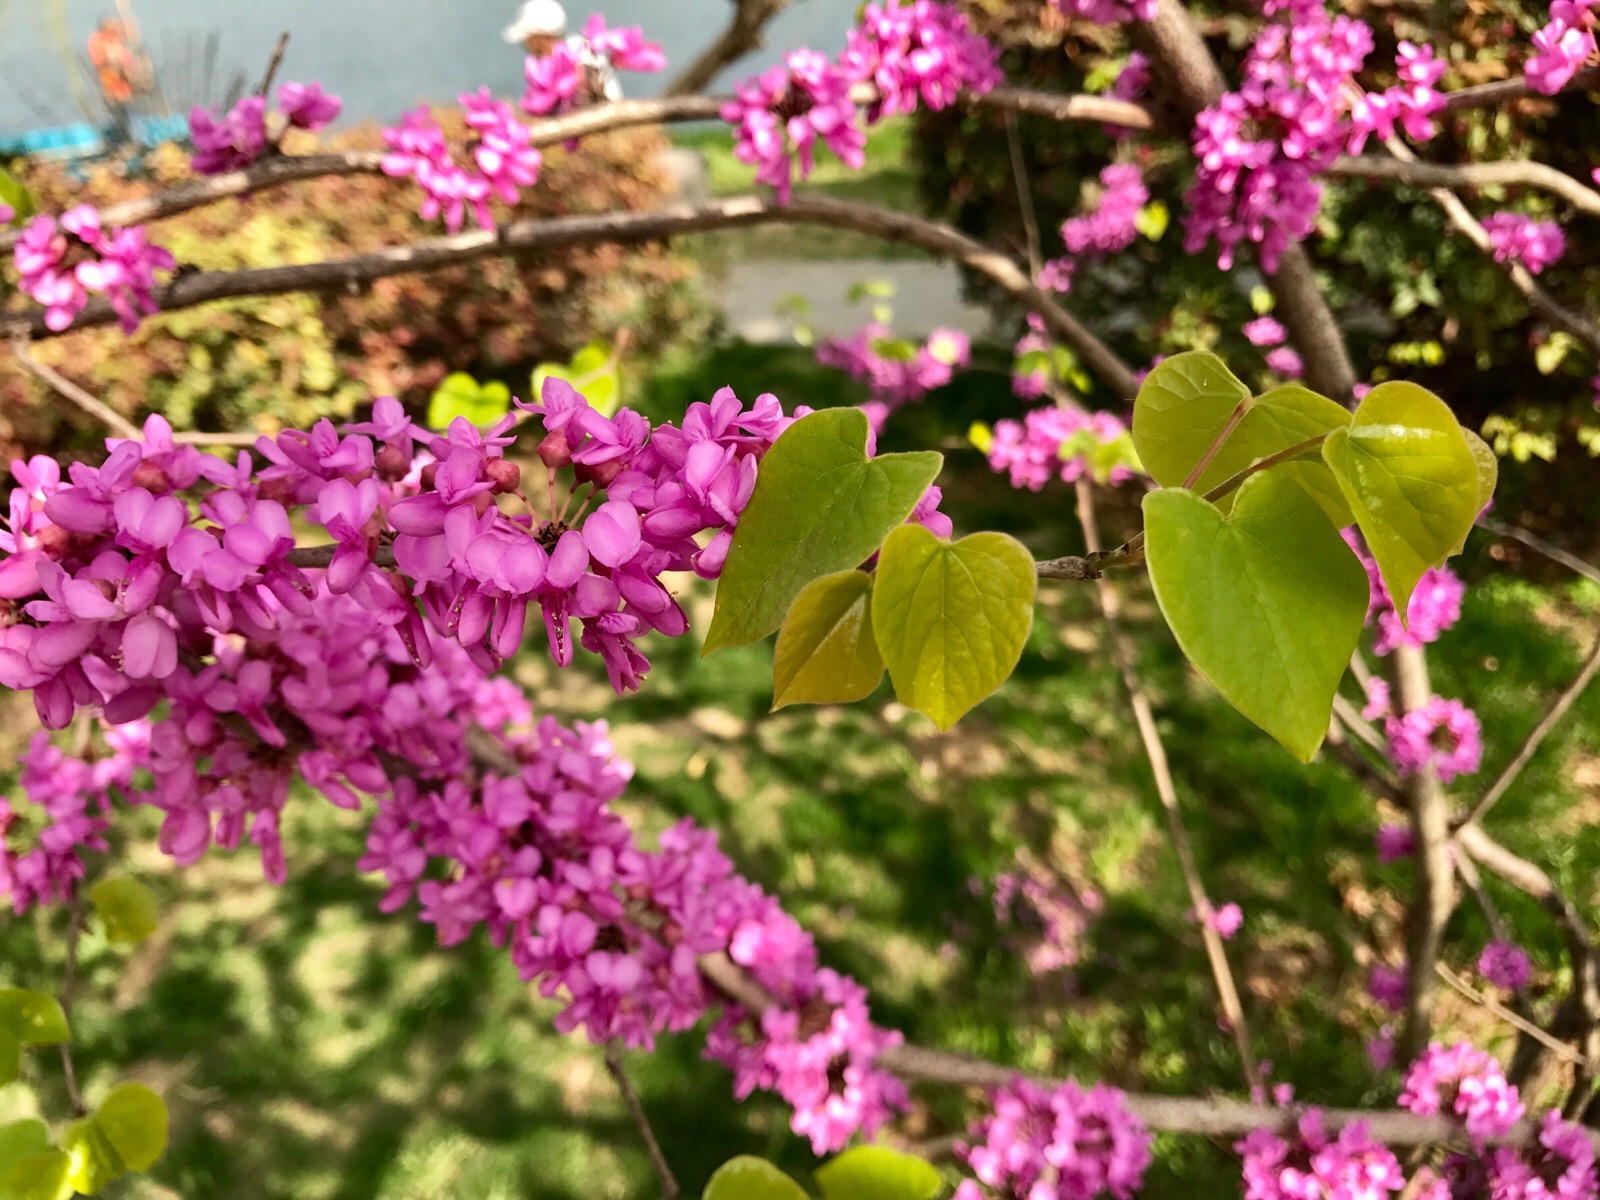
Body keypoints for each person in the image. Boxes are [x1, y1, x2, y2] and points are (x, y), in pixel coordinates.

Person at [503, 0, 624, 103]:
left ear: (541, 38)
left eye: (528, 40)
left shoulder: (581, 53)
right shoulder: (551, 63)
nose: (526, 47)